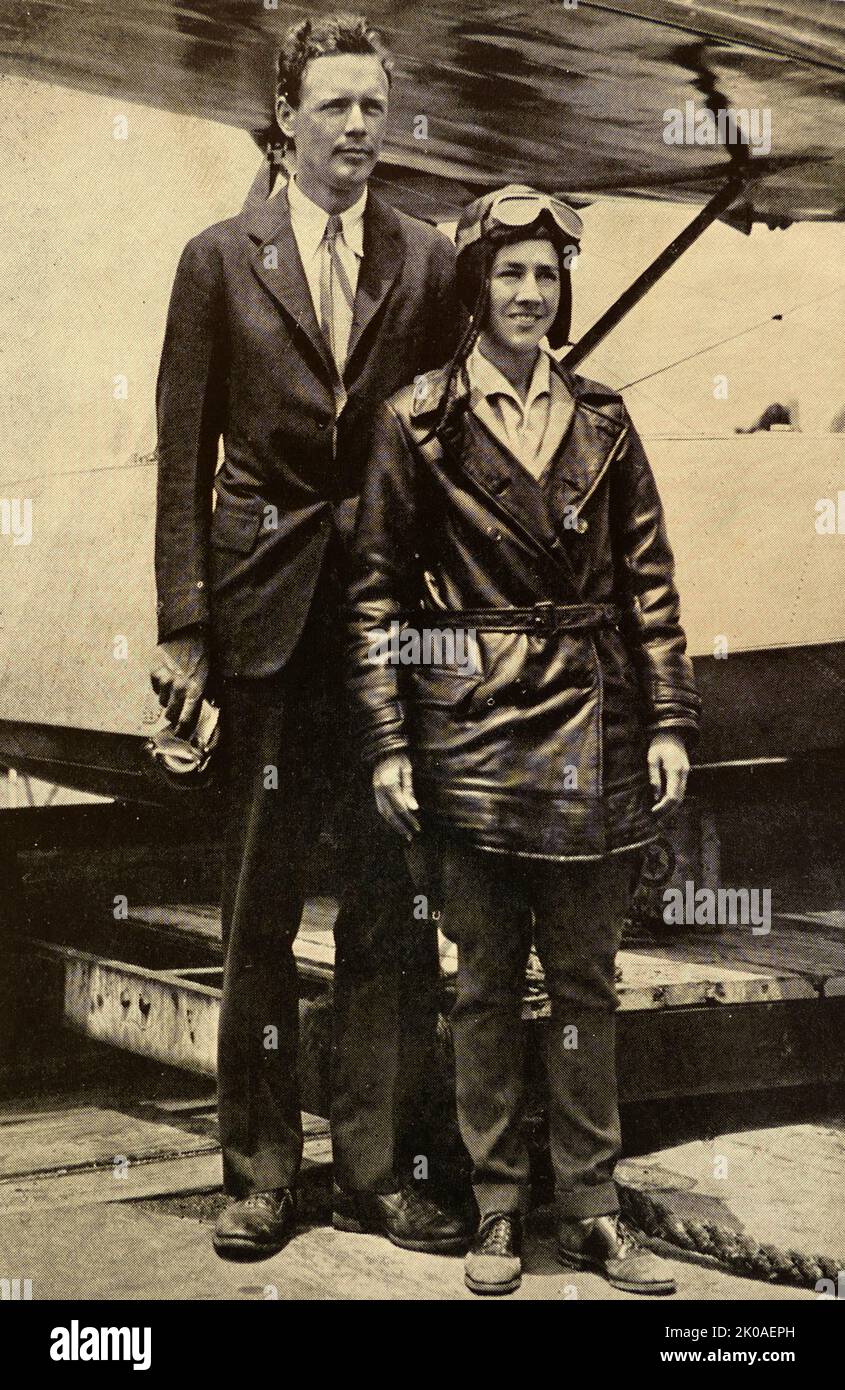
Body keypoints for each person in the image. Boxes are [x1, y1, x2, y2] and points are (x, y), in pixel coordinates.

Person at [151, 13, 468, 1260]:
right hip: (260, 620)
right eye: (329, 106)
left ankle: (383, 1173)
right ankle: (261, 1176)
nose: (351, 129)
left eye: (369, 108)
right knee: (258, 910)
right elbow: (182, 456)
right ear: (284, 119)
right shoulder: (218, 259)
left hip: (383, 632)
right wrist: (184, 627)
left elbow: (451, 455)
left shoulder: (429, 260)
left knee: (387, 905)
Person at [347, 185, 702, 1295]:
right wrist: (388, 742)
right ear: (473, 284)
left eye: (545, 275)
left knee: (587, 981)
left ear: (562, 292)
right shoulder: (416, 418)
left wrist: (670, 721)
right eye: (507, 271)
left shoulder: (604, 418)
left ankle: (591, 1208)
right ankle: (499, 1205)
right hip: (470, 732)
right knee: (485, 984)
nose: (527, 293)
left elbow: (648, 585)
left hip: (593, 731)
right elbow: (374, 594)